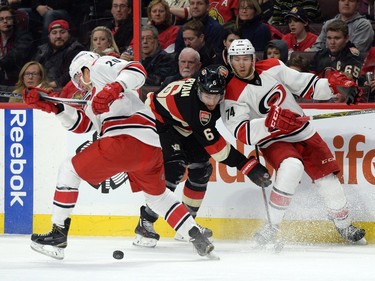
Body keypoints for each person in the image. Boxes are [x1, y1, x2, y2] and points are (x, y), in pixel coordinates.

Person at [23, 51, 215, 260]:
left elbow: (137, 70)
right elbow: (83, 125)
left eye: (79, 78)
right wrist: (55, 108)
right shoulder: (94, 95)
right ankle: (197, 237)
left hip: (124, 140)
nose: (80, 85)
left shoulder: (99, 66)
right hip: (149, 148)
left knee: (69, 169)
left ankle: (58, 233)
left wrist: (113, 88)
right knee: (159, 197)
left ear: (84, 68)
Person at [221, 39, 366, 246]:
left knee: (328, 182)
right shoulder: (231, 94)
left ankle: (344, 225)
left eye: (246, 58)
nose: (242, 64)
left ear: (254, 58)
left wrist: (335, 87)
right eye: (237, 60)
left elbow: (306, 85)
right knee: (291, 167)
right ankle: (272, 227)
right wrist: (269, 123)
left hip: (302, 132)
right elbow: (241, 131)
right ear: (229, 60)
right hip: (272, 139)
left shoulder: (273, 66)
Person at [133, 64, 272, 247]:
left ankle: (187, 224)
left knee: (201, 169)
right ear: (199, 89)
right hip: (157, 120)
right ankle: (145, 222)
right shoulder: (196, 109)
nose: (212, 102)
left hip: (182, 124)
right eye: (207, 95)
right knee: (174, 168)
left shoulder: (211, 91)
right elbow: (219, 151)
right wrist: (249, 167)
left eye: (217, 96)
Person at [310, 19, 364, 103]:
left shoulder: (353, 56)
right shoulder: (320, 55)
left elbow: (348, 84)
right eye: (329, 38)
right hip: (320, 96)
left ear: (346, 38)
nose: (332, 42)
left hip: (343, 101)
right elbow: (311, 79)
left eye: (337, 38)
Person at [33, 19, 84, 89]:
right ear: (49, 36)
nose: (58, 36)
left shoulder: (76, 50)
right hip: (40, 88)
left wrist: (52, 84)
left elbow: (73, 73)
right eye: (54, 33)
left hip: (63, 91)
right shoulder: (42, 51)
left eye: (62, 32)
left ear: (69, 34)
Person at [308, 0, 374, 53]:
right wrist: (309, 53)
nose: (346, 3)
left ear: (357, 5)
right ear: (339, 2)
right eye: (342, 0)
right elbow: (318, 47)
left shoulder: (363, 25)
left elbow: (355, 52)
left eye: (351, 1)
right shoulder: (329, 23)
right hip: (325, 62)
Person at [0, 5, 34, 86]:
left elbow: (16, 55)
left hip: (16, 78)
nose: (5, 21)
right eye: (1, 19)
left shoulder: (24, 36)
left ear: (13, 20)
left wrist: (1, 64)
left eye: (8, 18)